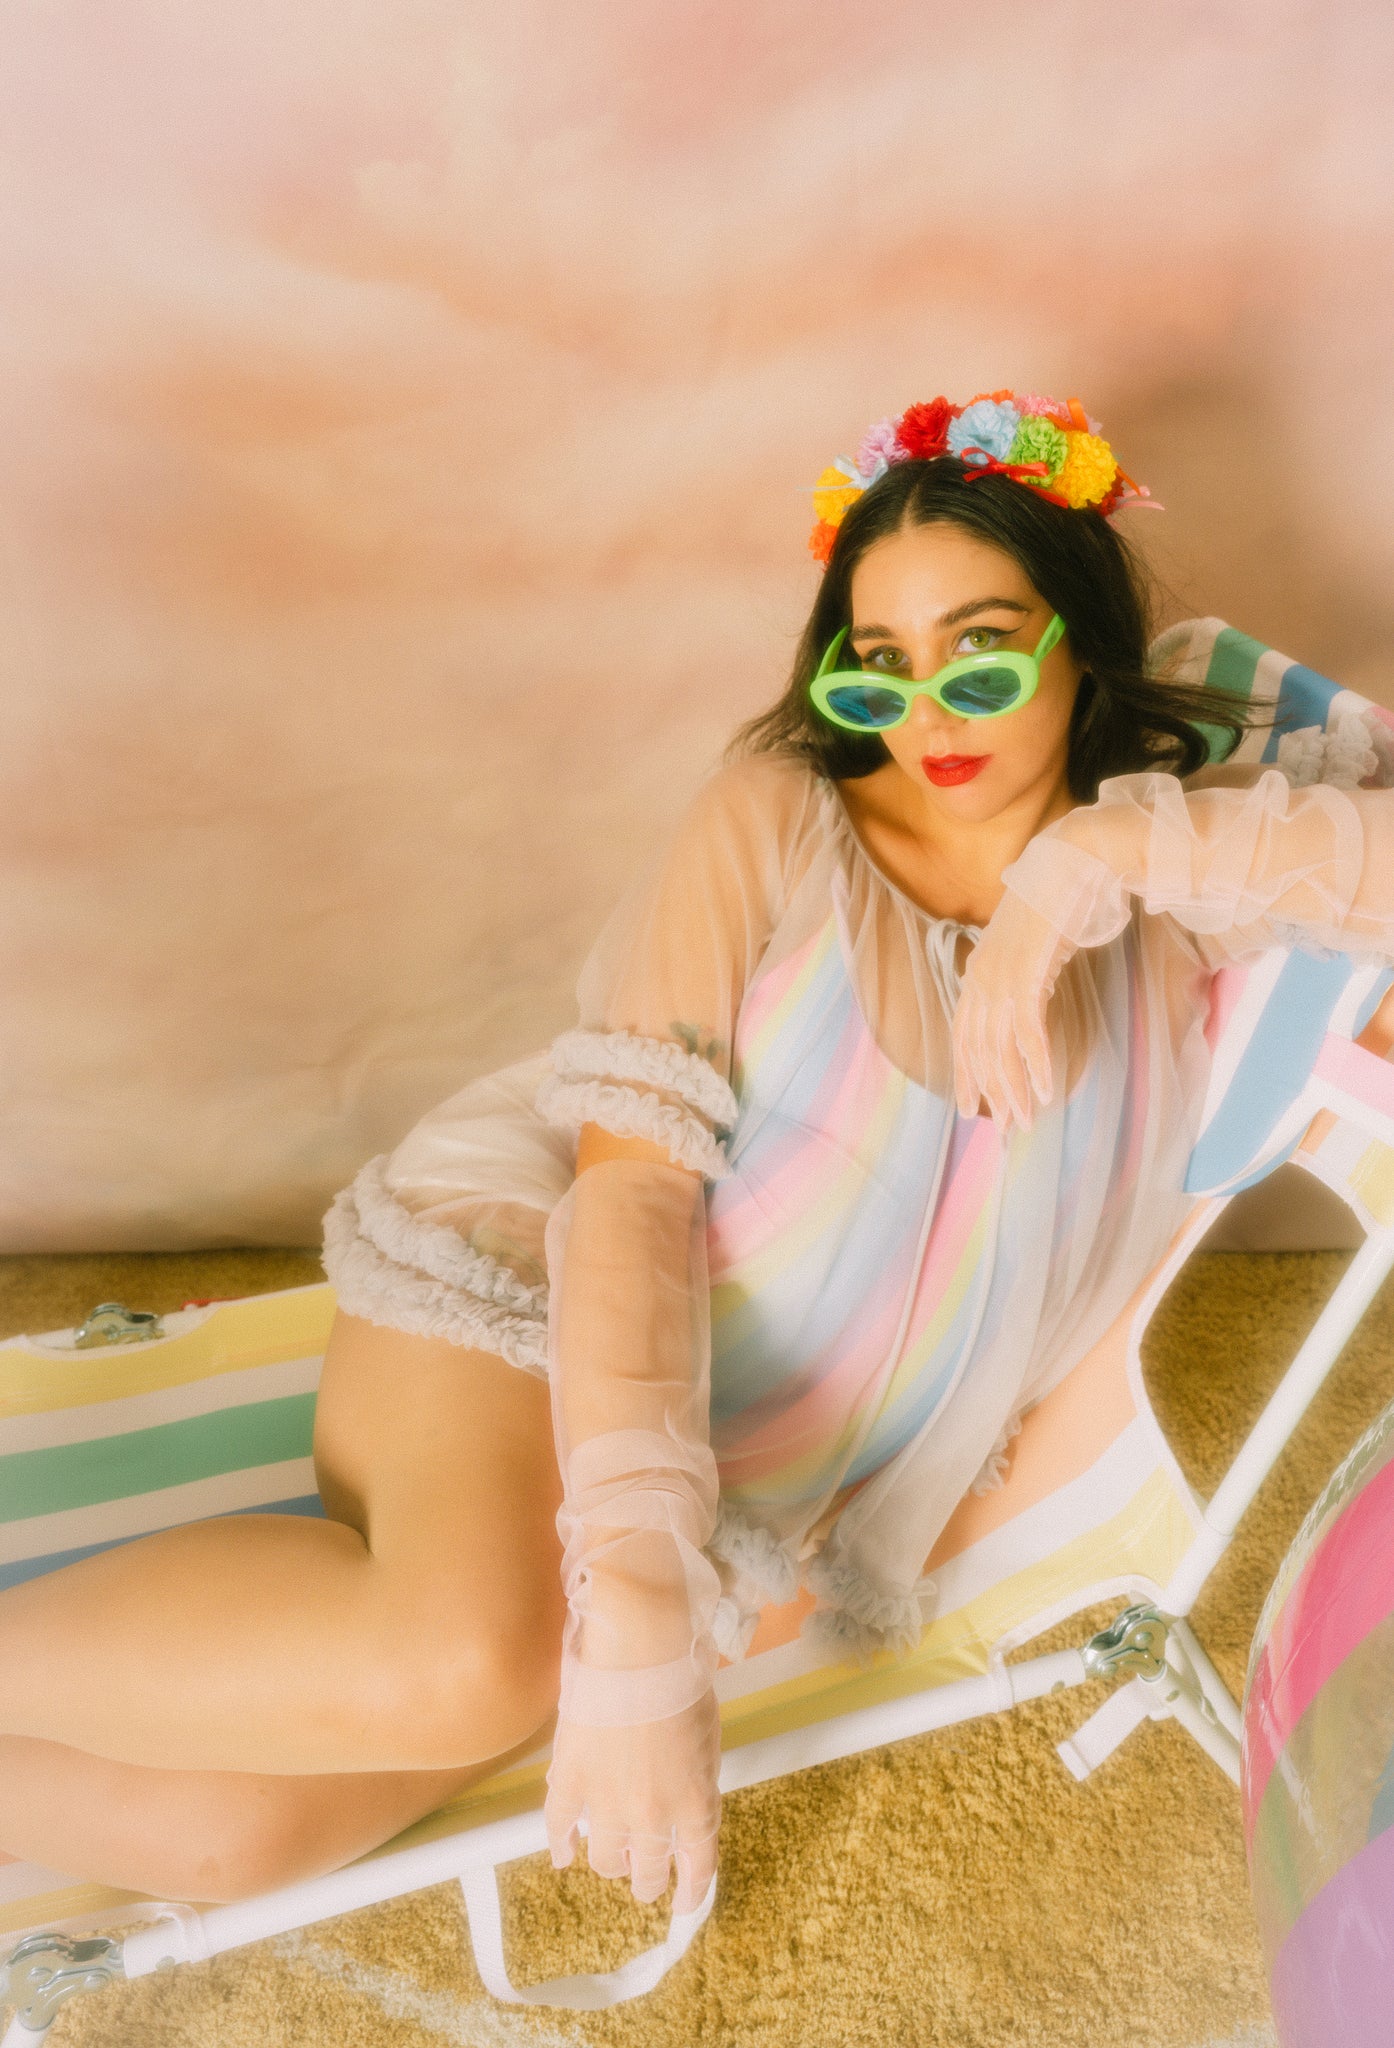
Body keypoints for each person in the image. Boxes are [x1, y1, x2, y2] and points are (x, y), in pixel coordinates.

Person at [5, 389, 1394, 1924]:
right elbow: (630, 1202)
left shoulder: (1170, 876)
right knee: (463, 1665)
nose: (929, 715)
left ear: (1079, 644)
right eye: (876, 668)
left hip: (743, 1445)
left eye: (983, 653)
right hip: (538, 1303)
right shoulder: (778, 821)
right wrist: (639, 1615)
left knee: (224, 1843)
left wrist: (1093, 862)